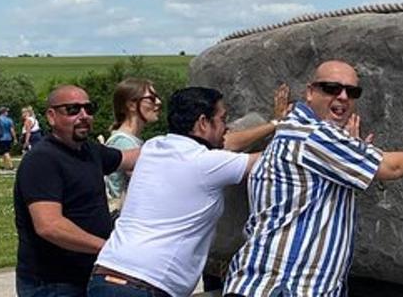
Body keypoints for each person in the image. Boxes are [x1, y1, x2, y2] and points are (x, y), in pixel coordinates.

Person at [224, 60, 403, 297]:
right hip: (285, 287)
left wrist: (350, 154)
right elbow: (390, 167)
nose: (343, 96)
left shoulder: (293, 133)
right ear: (310, 92)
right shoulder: (311, 136)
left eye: (352, 92)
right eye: (331, 88)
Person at [88, 86, 287, 297]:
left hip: (105, 274)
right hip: (146, 285)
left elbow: (225, 144)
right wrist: (292, 127)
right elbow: (274, 160)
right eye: (222, 119)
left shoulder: (154, 147)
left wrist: (274, 124)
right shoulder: (205, 163)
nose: (227, 127)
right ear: (202, 122)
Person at [13, 84, 141, 296]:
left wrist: (174, 145)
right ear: (52, 116)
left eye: (89, 109)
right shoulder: (42, 160)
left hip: (86, 274)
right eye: (73, 110)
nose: (83, 115)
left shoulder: (90, 151)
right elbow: (50, 226)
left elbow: (129, 158)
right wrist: (109, 247)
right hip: (52, 283)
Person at [104, 78, 161, 215]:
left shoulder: (130, 140)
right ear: (131, 105)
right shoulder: (124, 143)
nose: (158, 103)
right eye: (151, 99)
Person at [0, 105, 18, 170]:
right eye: (6, 111)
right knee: (5, 152)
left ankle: (11, 166)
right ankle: (3, 165)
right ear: (4, 112)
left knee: (5, 152)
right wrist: (15, 138)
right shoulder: (9, 120)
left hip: (1, 138)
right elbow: (12, 130)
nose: (7, 113)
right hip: (8, 138)